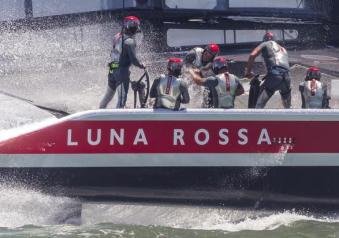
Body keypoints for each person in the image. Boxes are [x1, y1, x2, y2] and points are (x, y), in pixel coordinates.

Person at [99, 16, 146, 109]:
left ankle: (99, 112)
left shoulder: (116, 36)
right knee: (122, 100)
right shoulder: (130, 42)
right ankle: (117, 121)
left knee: (108, 97)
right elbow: (134, 60)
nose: (134, 27)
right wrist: (141, 65)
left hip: (112, 70)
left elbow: (114, 53)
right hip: (122, 73)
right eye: (133, 25)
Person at [245, 32, 291, 109]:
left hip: (274, 77)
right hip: (287, 78)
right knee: (288, 108)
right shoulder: (283, 49)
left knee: (258, 106)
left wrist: (248, 72)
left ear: (264, 39)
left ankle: (256, 120)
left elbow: (252, 55)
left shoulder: (265, 44)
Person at [182, 43, 220, 108]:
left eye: (210, 56)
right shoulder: (194, 53)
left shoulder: (212, 61)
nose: (206, 57)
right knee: (186, 84)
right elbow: (184, 66)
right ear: (204, 51)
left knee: (209, 87)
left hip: (198, 75)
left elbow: (207, 69)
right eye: (206, 54)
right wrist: (192, 71)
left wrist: (200, 70)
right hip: (187, 74)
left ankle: (207, 106)